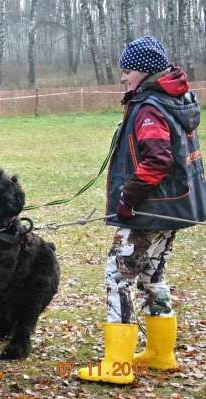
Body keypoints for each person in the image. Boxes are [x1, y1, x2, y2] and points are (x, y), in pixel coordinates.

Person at [77, 36, 205, 384]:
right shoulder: (175, 98)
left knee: (117, 277)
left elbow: (158, 159)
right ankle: (161, 354)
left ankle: (117, 366)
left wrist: (127, 199)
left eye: (127, 70)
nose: (123, 77)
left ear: (144, 70)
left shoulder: (150, 107)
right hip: (174, 209)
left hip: (148, 211)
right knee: (153, 276)